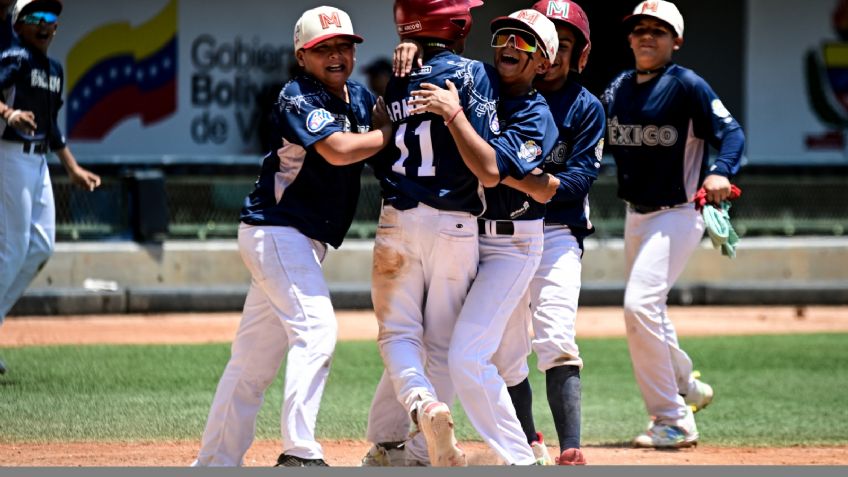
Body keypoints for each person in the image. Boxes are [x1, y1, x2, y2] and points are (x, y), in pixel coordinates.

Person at [191, 5, 391, 467]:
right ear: (302, 57)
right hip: (277, 231)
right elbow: (338, 150)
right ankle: (299, 451)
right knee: (317, 331)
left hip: (297, 239)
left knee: (251, 364)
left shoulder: (361, 98)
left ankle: (214, 462)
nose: (336, 55)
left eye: (344, 46)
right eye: (323, 49)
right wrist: (385, 133)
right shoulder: (297, 95)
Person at [408, 8, 560, 465]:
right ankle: (519, 447)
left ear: (543, 63)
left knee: (468, 356)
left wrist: (454, 115)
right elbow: (438, 60)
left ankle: (521, 458)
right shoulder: (480, 83)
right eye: (504, 36)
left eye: (525, 41)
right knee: (490, 356)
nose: (510, 45)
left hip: (512, 245)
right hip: (467, 237)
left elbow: (490, 172)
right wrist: (413, 47)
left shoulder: (536, 114)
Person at [601, 0, 744, 448]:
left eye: (658, 30)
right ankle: (687, 386)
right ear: (629, 38)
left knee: (639, 306)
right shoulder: (619, 87)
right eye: (639, 28)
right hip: (636, 215)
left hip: (678, 213)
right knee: (651, 310)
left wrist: (721, 171)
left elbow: (732, 132)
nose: (647, 36)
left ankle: (672, 419)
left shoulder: (687, 85)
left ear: (675, 41)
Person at [362, 0, 499, 467]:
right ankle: (421, 451)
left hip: (398, 219)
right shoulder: (474, 73)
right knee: (441, 343)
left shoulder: (398, 76)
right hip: (456, 222)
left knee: (398, 334)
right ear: (455, 22)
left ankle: (421, 405)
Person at [493, 0, 606, 466]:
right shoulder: (497, 89)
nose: (553, 52)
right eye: (545, 40)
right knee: (504, 348)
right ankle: (528, 444)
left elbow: (579, 181)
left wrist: (516, 177)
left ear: (580, 53)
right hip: (504, 231)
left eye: (565, 43)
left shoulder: (586, 107)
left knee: (556, 336)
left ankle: (571, 448)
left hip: (558, 231)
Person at [0, 0, 101, 376]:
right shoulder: (15, 56)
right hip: (9, 154)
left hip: (38, 158)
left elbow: (52, 125)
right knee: (13, 249)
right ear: (19, 25)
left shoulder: (54, 69)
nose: (45, 24)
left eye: (51, 18)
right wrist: (8, 112)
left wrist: (72, 168)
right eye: (36, 17)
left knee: (41, 245)